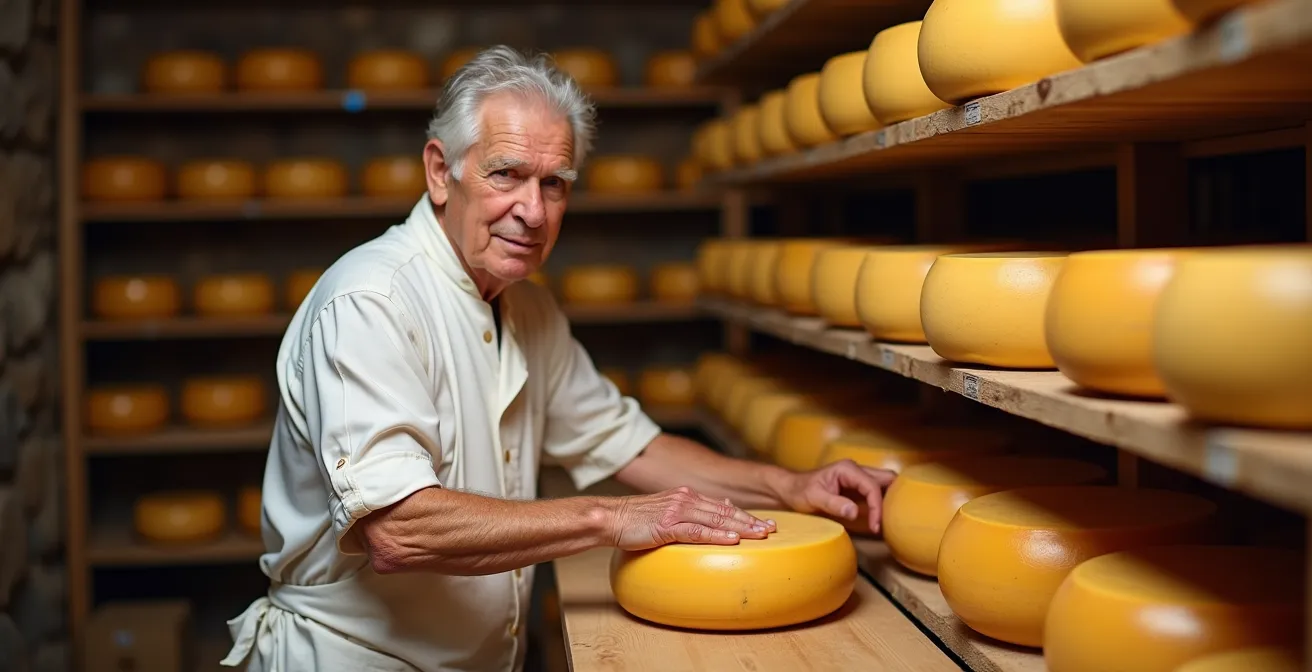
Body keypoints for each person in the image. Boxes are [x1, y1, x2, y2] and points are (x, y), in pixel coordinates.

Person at [221, 45, 895, 672]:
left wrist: (790, 487)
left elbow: (629, 445)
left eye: (555, 184)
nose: (533, 212)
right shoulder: (372, 302)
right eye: (507, 174)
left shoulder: (528, 309)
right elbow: (398, 530)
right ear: (440, 171)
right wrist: (608, 517)